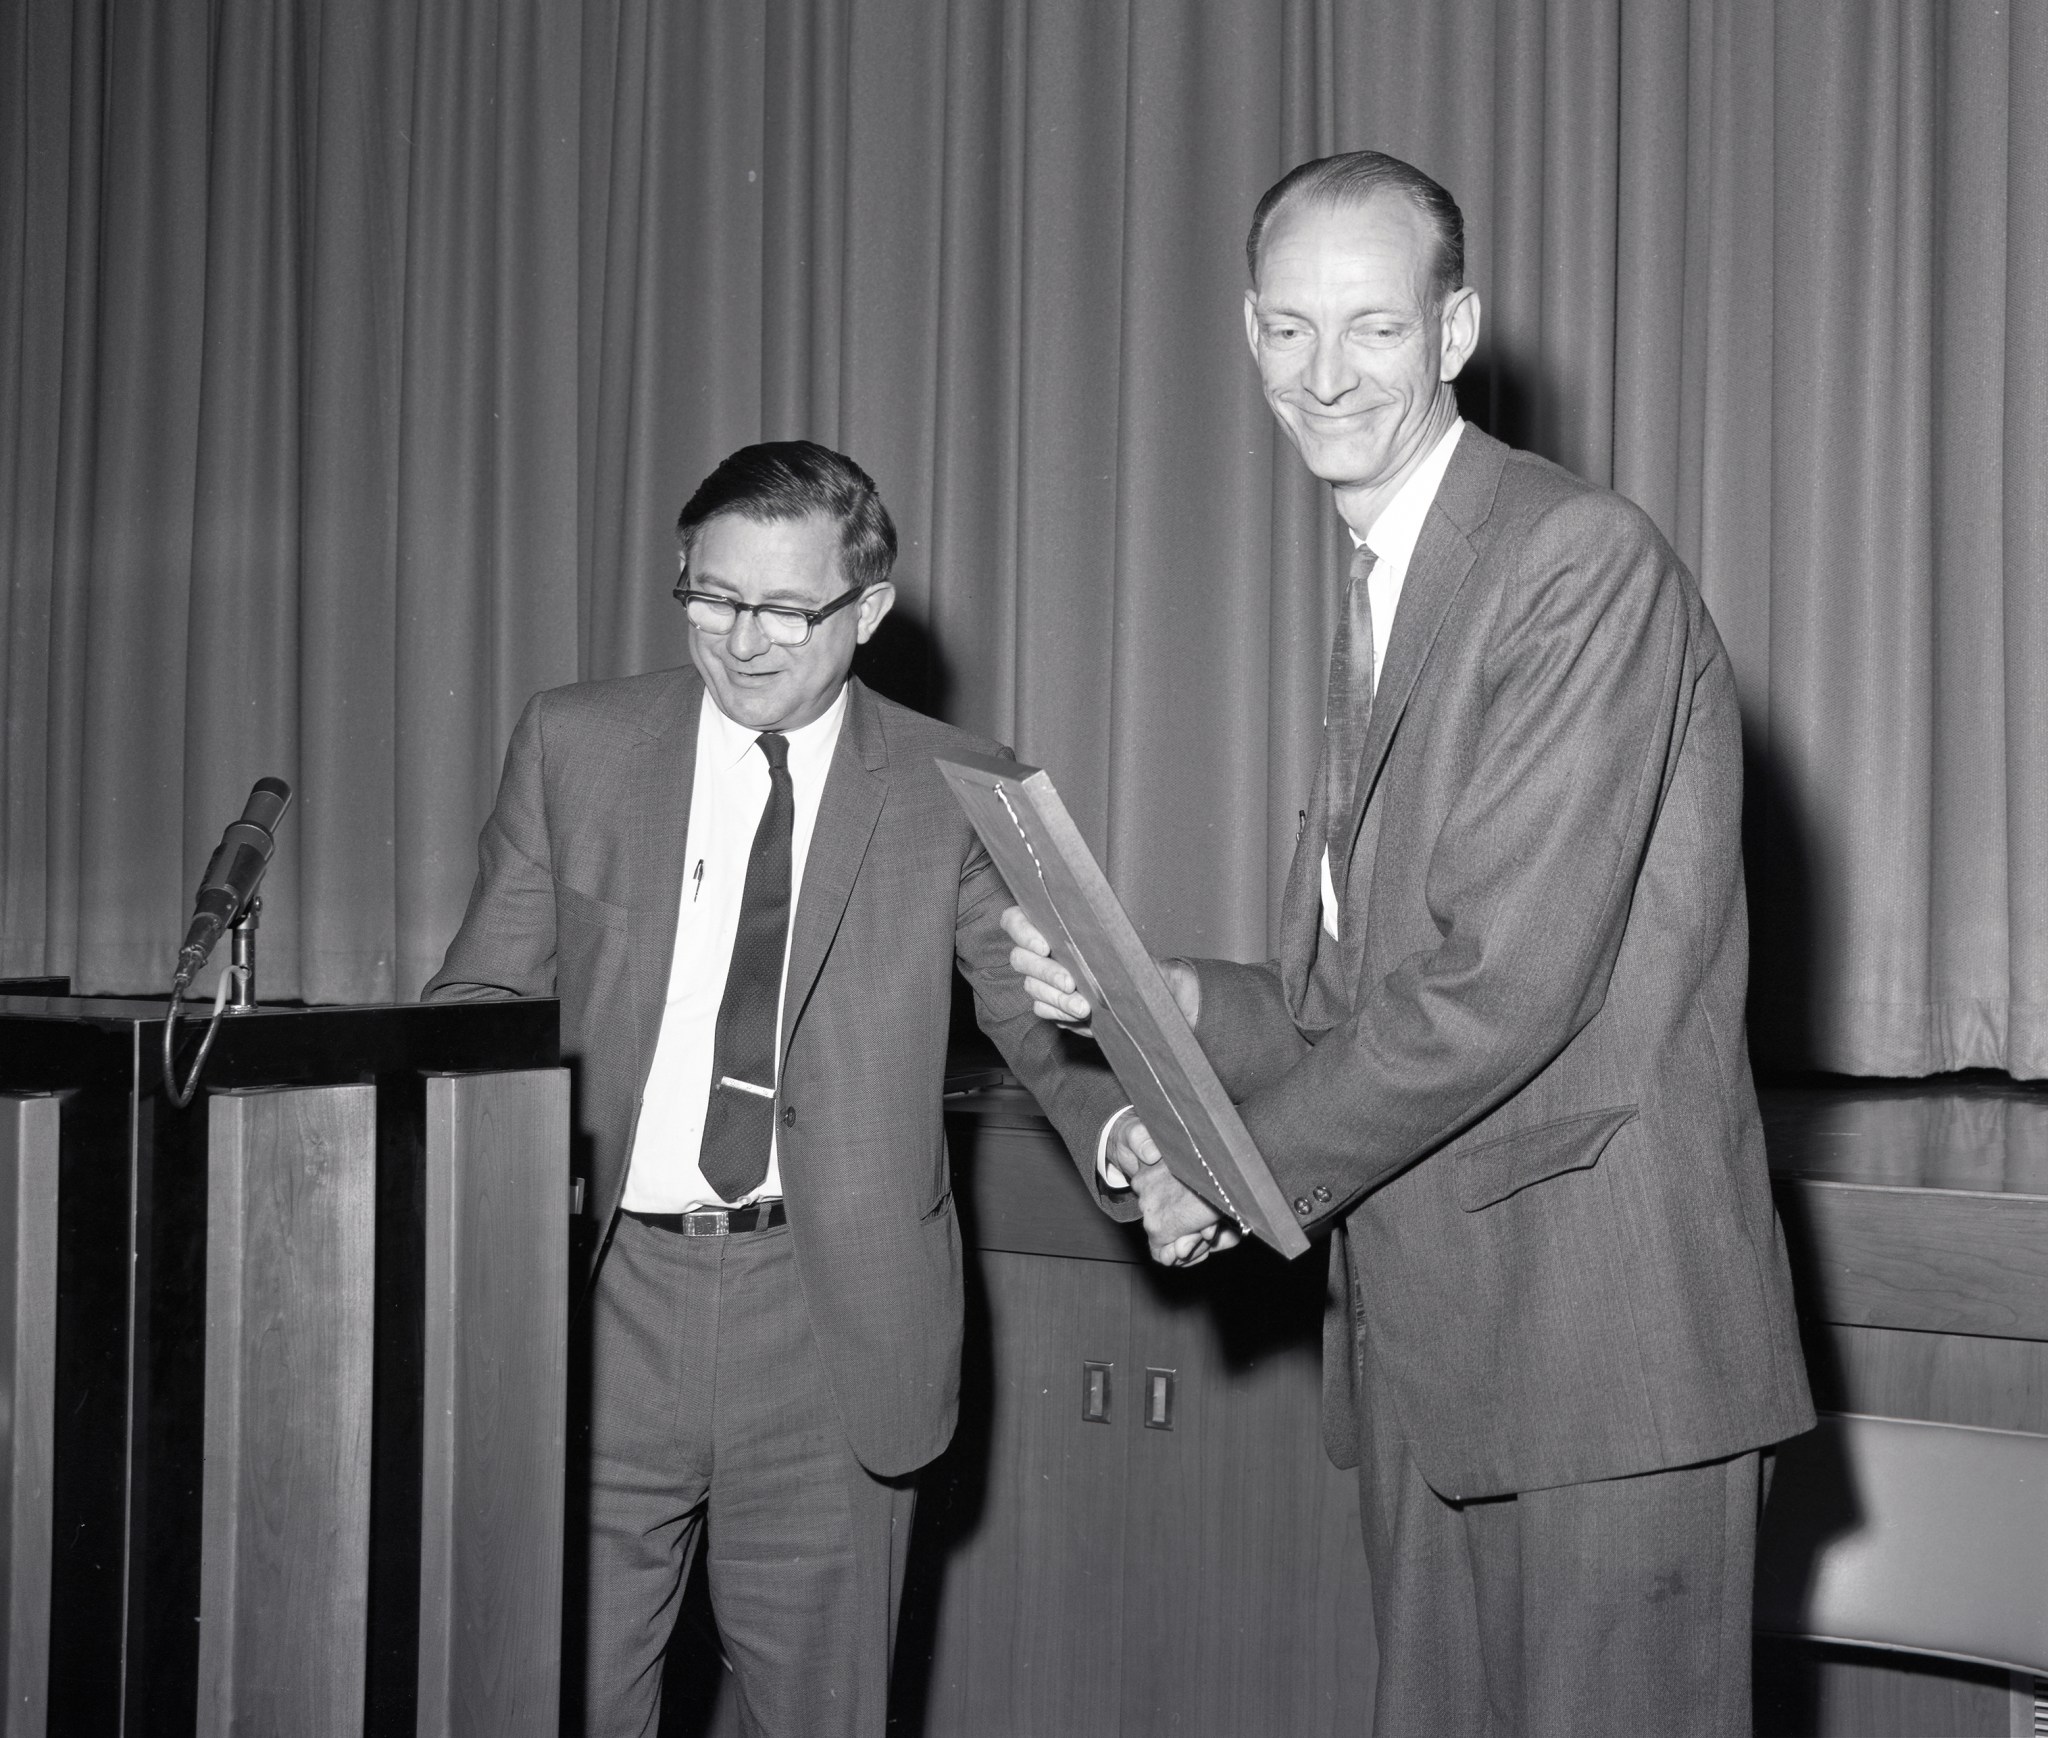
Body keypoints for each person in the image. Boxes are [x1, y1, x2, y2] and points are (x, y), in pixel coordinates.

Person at [1005, 152, 1813, 1736]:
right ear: (1247, 336)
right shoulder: (1389, 576)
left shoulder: (1570, 560)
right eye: (1292, 330)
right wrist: (1169, 1000)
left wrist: (1230, 1176)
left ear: (1457, 330)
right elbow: (1356, 996)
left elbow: (1501, 986)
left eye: (1373, 328)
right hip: (1446, 1351)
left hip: (1603, 1365)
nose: (1327, 375)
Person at [426, 441, 1123, 1737]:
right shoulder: (573, 743)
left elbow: (1038, 1016)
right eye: (710, 596)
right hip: (598, 1301)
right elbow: (476, 1009)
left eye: (786, 611)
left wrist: (1127, 1128)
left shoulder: (955, 782)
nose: (742, 640)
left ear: (866, 611)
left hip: (832, 1321)